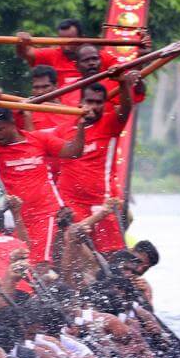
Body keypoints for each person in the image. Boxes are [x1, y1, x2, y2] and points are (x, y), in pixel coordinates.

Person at [0, 104, 87, 264]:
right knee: (21, 262)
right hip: (20, 218)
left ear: (12, 124)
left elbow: (74, 151)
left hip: (47, 213)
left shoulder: (39, 139)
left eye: (0, 129)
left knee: (40, 264)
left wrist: (81, 126)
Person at [54, 73, 142, 252]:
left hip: (101, 203)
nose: (94, 106)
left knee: (112, 256)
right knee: (74, 251)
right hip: (70, 203)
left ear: (104, 104)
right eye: (89, 101)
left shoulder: (110, 123)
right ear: (80, 103)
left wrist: (123, 84)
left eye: (98, 102)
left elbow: (126, 109)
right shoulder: (62, 130)